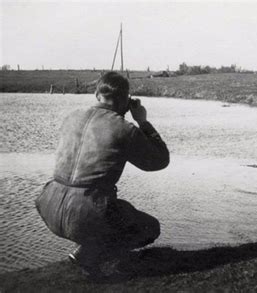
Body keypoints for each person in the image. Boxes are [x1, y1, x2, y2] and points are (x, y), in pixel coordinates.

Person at [35, 71, 170, 278]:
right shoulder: (124, 129)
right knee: (149, 227)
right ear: (126, 100)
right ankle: (90, 256)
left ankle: (87, 250)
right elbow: (160, 161)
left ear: (97, 95)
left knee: (102, 211)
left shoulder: (70, 117)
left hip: (48, 205)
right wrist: (142, 121)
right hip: (86, 213)